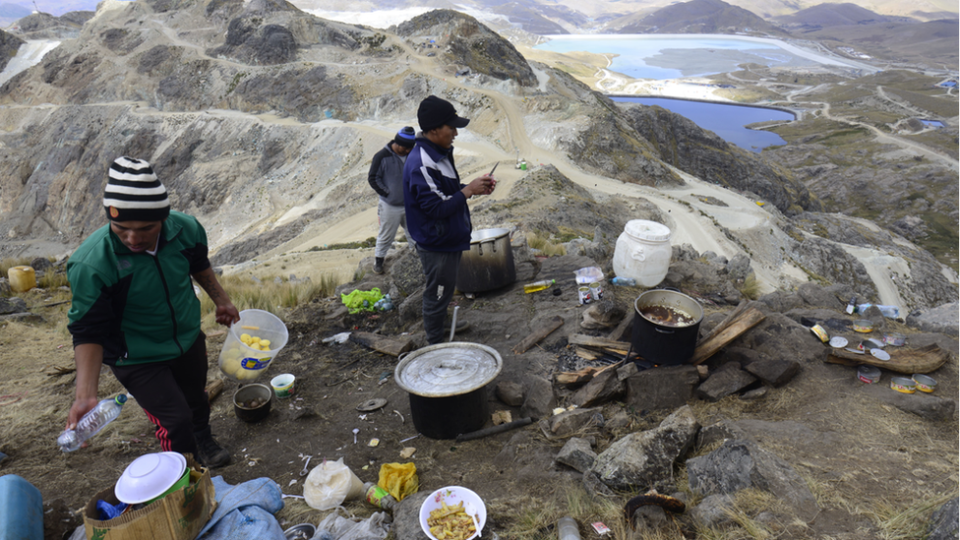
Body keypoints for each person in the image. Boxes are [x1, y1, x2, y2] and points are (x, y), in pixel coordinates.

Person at [65, 156, 239, 468]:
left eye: (146, 228)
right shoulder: (92, 263)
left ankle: (203, 437)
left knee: (196, 398)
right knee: (175, 421)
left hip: (186, 337)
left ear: (164, 218)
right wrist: (85, 396)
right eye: (120, 228)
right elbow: (88, 331)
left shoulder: (186, 230)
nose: (133, 239)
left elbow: (199, 265)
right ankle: (182, 471)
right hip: (137, 357)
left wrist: (222, 300)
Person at [403, 96, 496, 344]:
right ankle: (435, 344)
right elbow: (436, 207)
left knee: (444, 289)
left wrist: (473, 187)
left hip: (446, 236)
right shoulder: (422, 163)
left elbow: (444, 193)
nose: (455, 132)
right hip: (436, 242)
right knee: (437, 292)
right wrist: (467, 191)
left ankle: (442, 324)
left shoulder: (439, 154)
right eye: (451, 127)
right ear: (434, 130)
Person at [368, 126, 416, 274]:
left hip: (410, 204)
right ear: (399, 144)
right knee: (386, 235)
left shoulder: (411, 155)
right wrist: (387, 193)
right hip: (390, 206)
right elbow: (373, 178)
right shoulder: (381, 156)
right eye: (407, 148)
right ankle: (378, 263)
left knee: (414, 233)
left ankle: (418, 260)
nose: (409, 151)